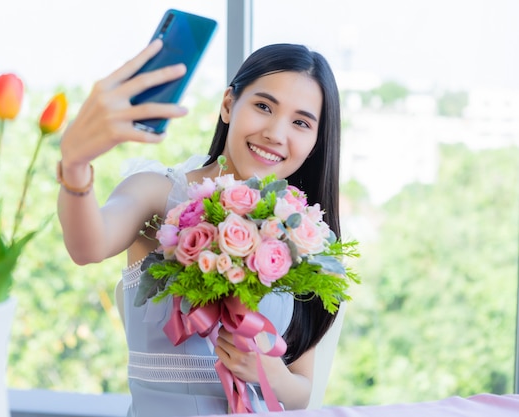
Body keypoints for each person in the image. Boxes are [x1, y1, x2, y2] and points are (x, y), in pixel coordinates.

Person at [57, 40, 343, 416]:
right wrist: (75, 166)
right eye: (263, 106)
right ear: (228, 104)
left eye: (300, 122)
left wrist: (269, 374)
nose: (276, 132)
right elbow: (87, 247)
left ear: (315, 141)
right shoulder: (158, 194)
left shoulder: (305, 235)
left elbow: (300, 391)